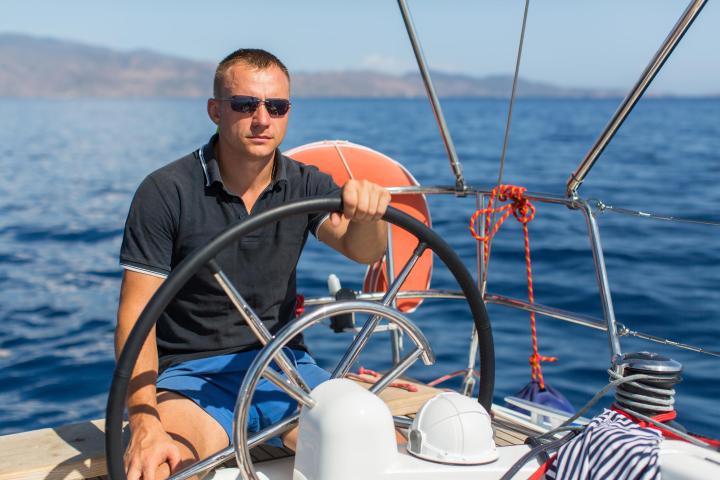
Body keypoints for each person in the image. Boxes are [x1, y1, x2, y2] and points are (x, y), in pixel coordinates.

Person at [115, 48, 391, 480]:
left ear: (287, 113)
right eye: (245, 105)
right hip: (193, 378)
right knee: (167, 467)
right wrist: (144, 418)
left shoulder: (305, 185)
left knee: (365, 442)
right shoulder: (166, 192)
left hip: (285, 366)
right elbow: (136, 316)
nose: (262, 119)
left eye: (276, 106)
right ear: (215, 111)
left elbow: (364, 251)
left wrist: (369, 217)